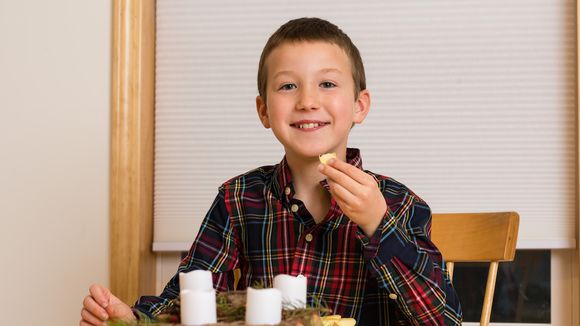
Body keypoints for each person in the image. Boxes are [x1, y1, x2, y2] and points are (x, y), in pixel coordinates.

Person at [80, 17, 462, 325]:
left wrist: (378, 224)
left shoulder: (399, 204)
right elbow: (188, 300)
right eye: (288, 86)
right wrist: (133, 321)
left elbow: (442, 319)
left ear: (360, 106)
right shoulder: (237, 200)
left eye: (327, 83)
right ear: (264, 111)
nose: (307, 101)